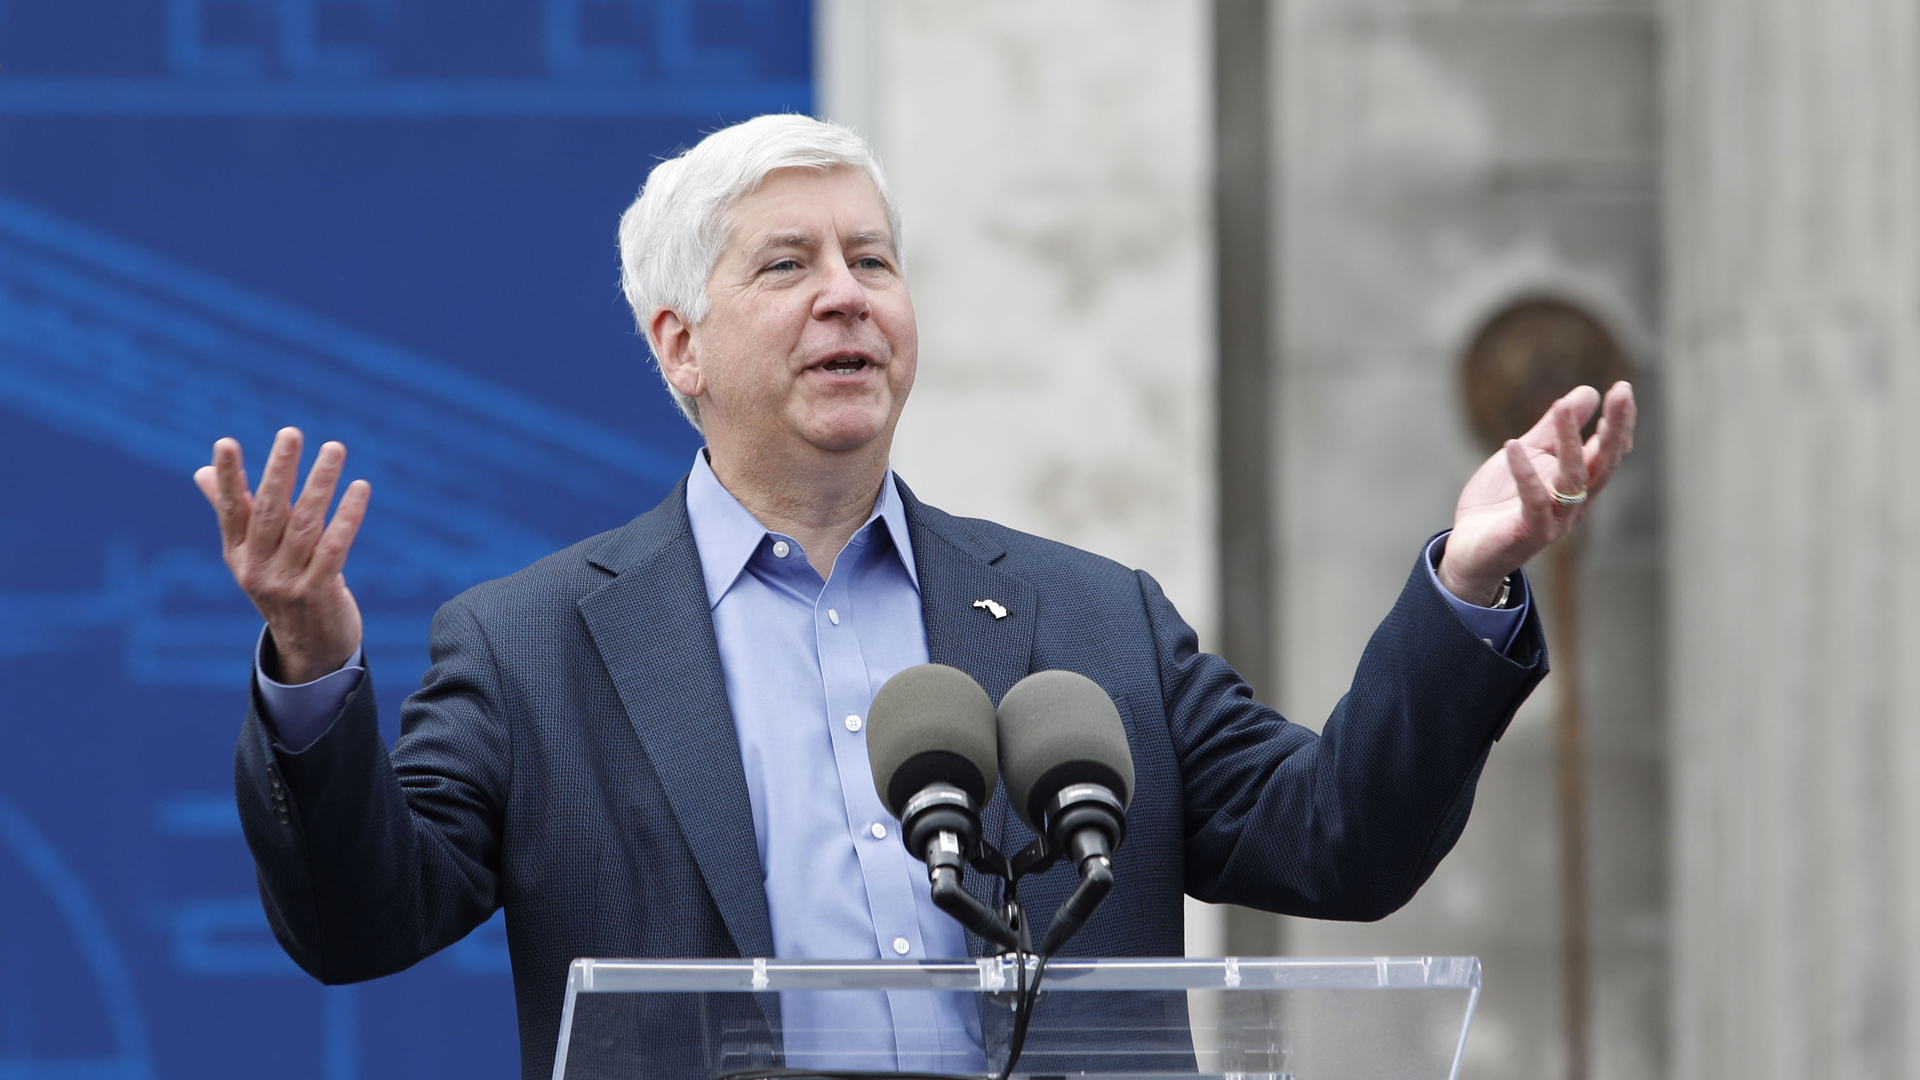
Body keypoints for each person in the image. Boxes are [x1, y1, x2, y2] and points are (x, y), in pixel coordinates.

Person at [194, 115, 1635, 1078]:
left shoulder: (1089, 620)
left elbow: (1340, 846)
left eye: (872, 261)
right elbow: (358, 923)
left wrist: (1469, 574)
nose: (848, 296)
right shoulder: (529, 648)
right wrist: (313, 662)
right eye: (791, 266)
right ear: (680, 346)